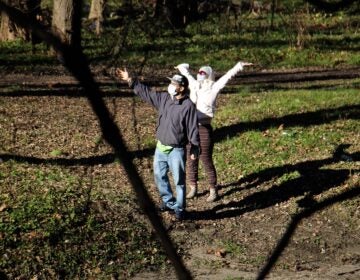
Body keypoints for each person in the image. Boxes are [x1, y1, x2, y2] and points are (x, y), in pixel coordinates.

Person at [116, 68, 200, 220]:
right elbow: (146, 93)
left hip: (177, 150)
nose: (171, 86)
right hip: (161, 147)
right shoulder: (164, 98)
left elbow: (193, 128)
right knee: (159, 176)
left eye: (174, 83)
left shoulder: (188, 106)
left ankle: (180, 209)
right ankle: (168, 202)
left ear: (181, 87)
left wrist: (194, 147)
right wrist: (130, 80)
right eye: (171, 83)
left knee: (179, 181)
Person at [175, 61, 253, 202]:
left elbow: (228, 76)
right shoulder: (194, 85)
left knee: (206, 159)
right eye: (200, 76)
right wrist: (181, 67)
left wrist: (239, 66)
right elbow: (186, 73)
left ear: (209, 77)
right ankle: (193, 187)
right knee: (191, 159)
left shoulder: (214, 87)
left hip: (204, 129)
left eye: (204, 76)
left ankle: (213, 189)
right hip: (190, 128)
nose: (201, 80)